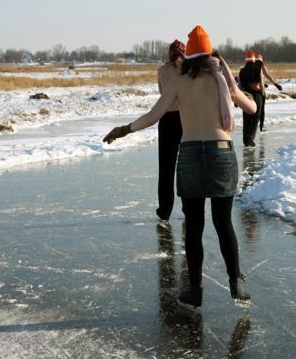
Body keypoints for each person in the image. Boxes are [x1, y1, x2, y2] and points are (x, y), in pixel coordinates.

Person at [104, 25, 256, 309]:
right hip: (221, 153)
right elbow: (252, 110)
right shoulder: (221, 78)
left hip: (190, 156)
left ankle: (195, 289)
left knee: (194, 226)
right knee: (223, 223)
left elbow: (153, 116)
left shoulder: (178, 81)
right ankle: (236, 281)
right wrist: (234, 89)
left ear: (188, 54)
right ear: (210, 52)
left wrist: (124, 129)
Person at [155, 39, 185, 220]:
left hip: (167, 119)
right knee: (185, 166)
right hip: (186, 118)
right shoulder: (189, 69)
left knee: (166, 168)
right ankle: (188, 207)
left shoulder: (162, 70)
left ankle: (164, 209)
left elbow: (162, 93)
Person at [237, 51, 263, 147]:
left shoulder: (242, 71)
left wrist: (238, 98)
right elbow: (261, 85)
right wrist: (263, 94)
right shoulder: (258, 69)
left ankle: (245, 140)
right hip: (256, 95)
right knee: (255, 117)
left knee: (246, 117)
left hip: (245, 95)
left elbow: (239, 85)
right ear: (253, 59)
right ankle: (250, 139)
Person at [255, 53, 282, 132]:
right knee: (261, 109)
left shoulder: (250, 66)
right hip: (260, 90)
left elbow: (265, 75)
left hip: (255, 90)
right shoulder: (260, 66)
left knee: (255, 109)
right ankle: (261, 126)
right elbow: (267, 75)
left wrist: (275, 84)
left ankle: (254, 126)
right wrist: (275, 84)